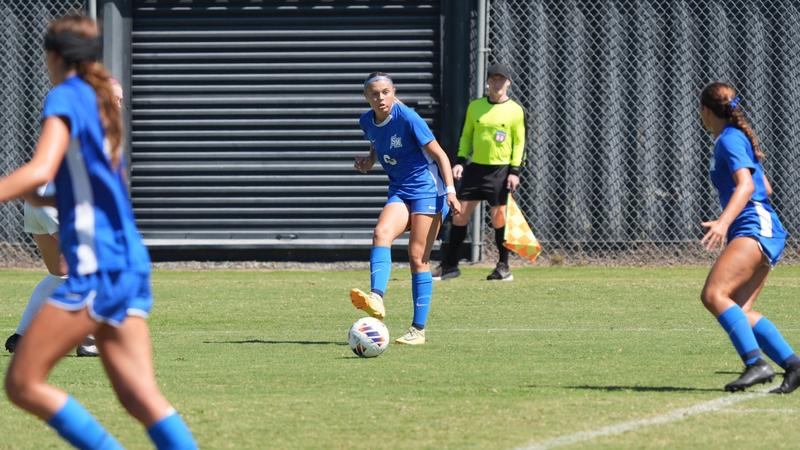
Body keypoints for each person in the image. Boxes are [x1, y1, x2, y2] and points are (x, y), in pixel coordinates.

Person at [1, 15, 197, 448]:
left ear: (52, 56)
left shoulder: (67, 96)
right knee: (139, 397)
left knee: (23, 383)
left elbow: (40, 169)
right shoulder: (101, 100)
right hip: (126, 262)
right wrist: (48, 199)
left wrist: (27, 188)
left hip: (97, 266)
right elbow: (91, 191)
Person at [5, 78, 124, 357]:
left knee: (60, 274)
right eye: (115, 98)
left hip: (37, 205)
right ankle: (88, 340)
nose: (119, 104)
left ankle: (22, 337)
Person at [698, 82, 799, 394]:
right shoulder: (733, 138)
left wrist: (723, 223)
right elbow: (764, 187)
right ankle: (794, 365)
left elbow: (746, 187)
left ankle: (756, 363)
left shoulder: (728, 141)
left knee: (714, 295)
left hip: (754, 226)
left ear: (704, 111)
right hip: (762, 227)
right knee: (739, 311)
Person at [349, 72, 461, 345]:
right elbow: (377, 143)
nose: (381, 98)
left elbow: (441, 155)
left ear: (393, 91)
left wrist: (450, 192)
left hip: (428, 191)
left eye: (385, 92)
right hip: (400, 190)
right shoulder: (367, 121)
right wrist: (369, 162)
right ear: (367, 98)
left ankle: (417, 330)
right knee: (381, 233)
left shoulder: (409, 118)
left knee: (417, 258)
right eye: (374, 94)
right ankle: (376, 297)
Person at [433, 63, 525, 281]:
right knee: (459, 215)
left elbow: (520, 143)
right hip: (476, 169)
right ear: (487, 82)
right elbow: (466, 136)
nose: (497, 83)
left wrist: (514, 171)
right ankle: (450, 266)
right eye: (493, 79)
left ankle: (503, 267)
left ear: (509, 83)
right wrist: (460, 162)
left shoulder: (515, 110)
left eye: (501, 79)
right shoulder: (475, 107)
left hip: (501, 171)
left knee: (498, 218)